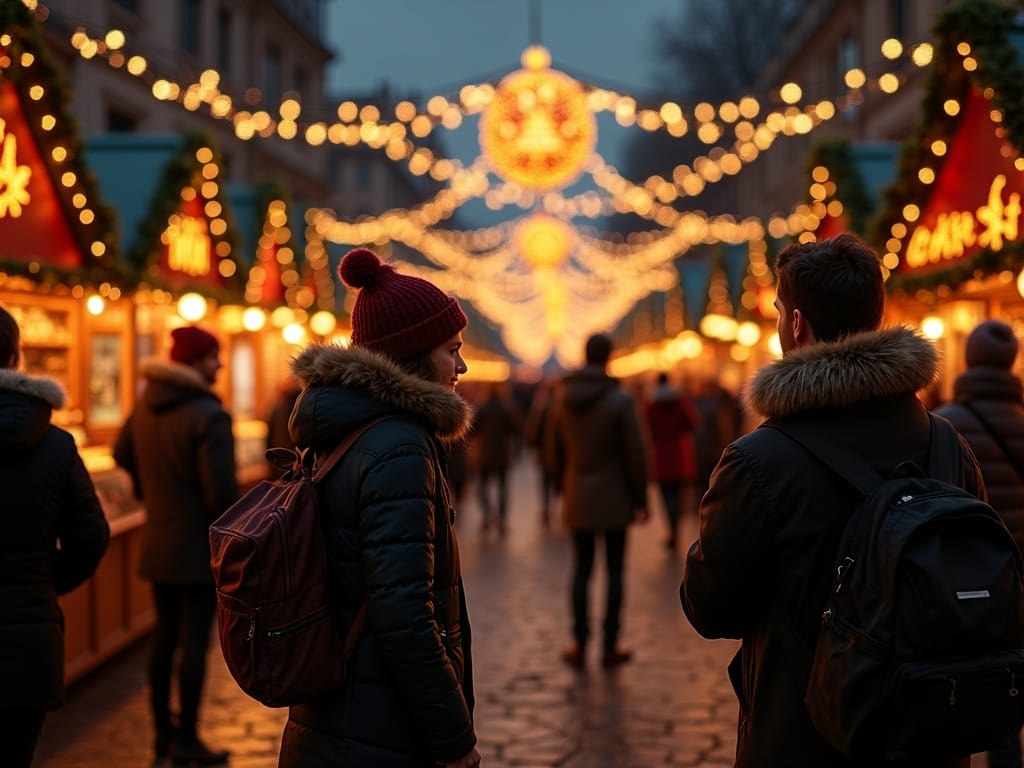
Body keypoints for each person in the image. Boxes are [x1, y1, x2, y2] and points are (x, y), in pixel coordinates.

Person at [680, 233, 983, 768]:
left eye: (778, 312)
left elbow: (711, 608)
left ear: (796, 324)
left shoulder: (756, 460)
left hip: (802, 732)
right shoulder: (946, 443)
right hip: (926, 729)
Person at [279, 247, 481, 768]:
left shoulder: (348, 430)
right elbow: (406, 614)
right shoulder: (399, 446)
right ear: (413, 355)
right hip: (378, 727)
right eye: (451, 350)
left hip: (337, 714)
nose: (461, 366)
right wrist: (454, 737)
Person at [113, 324, 238, 765]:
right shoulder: (209, 415)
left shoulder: (145, 407)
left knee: (164, 638)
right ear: (195, 362)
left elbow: (120, 451)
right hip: (196, 549)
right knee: (194, 643)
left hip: (158, 542)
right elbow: (220, 494)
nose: (220, 365)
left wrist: (149, 490)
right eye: (213, 357)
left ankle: (162, 737)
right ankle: (187, 738)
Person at [0, 305, 110, 768]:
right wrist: (43, 584)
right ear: (15, 357)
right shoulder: (56, 444)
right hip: (29, 643)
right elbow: (91, 536)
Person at [936, 318, 1024, 768]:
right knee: (1013, 682)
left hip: (967, 582)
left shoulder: (946, 426)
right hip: (1020, 575)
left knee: (970, 682)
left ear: (969, 360)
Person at [545, 332, 649, 669]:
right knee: (615, 572)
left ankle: (579, 641)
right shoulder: (620, 400)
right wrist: (640, 497)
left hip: (578, 493)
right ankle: (609, 644)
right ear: (609, 357)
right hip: (615, 496)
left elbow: (553, 448)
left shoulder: (563, 398)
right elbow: (635, 453)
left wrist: (562, 485)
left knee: (581, 570)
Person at [644, 371, 698, 549]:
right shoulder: (679, 403)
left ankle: (671, 528)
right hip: (679, 454)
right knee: (679, 495)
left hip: (660, 455)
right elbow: (693, 423)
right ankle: (676, 527)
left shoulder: (650, 406)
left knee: (665, 496)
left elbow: (646, 427)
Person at [472, 380, 521, 534]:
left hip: (484, 453)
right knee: (502, 487)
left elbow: (472, 430)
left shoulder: (481, 408)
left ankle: (488, 514)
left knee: (482, 487)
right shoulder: (507, 408)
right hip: (502, 453)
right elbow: (516, 429)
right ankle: (501, 518)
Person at [524, 376, 560, 524]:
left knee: (545, 481)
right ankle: (557, 506)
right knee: (557, 480)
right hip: (558, 452)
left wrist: (534, 445)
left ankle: (546, 507)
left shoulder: (541, 407)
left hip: (545, 451)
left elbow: (535, 430)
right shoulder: (561, 407)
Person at [265, 376, 302, 476]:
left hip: (278, 460)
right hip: (297, 461)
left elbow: (269, 437)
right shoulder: (302, 407)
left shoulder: (277, 407)